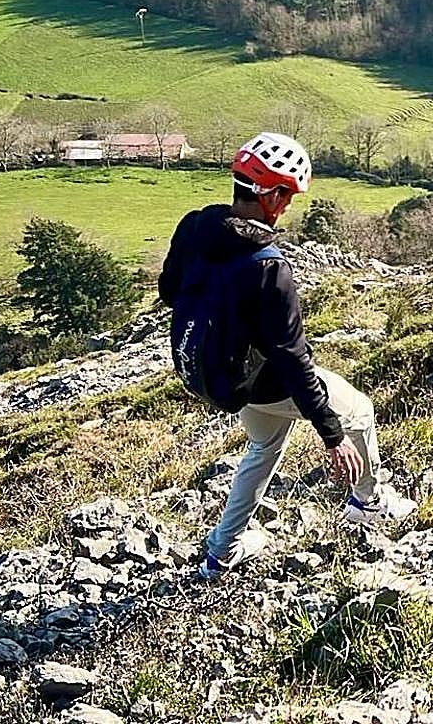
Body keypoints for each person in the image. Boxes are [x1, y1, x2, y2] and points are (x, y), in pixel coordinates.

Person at [158, 132, 412, 581]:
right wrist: (331, 434)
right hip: (263, 381)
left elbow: (168, 292)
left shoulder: (195, 226)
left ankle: (221, 551)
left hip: (216, 375)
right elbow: (293, 359)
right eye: (289, 195)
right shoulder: (269, 268)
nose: (289, 206)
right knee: (361, 411)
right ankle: (368, 504)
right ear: (272, 196)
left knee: (265, 444)